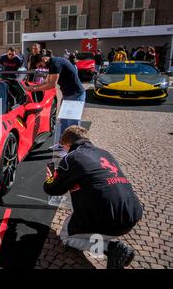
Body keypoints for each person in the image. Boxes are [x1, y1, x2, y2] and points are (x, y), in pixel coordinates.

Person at [44, 126, 143, 269]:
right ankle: (107, 240)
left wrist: (50, 178)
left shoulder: (71, 157)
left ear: (67, 144)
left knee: (66, 237)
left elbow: (52, 189)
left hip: (107, 217)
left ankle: (111, 247)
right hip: (132, 213)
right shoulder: (105, 153)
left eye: (63, 146)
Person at [26, 54, 85, 150]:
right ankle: (62, 144)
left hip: (76, 94)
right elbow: (46, 81)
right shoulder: (51, 64)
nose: (41, 68)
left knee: (73, 124)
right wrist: (32, 87)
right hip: (68, 95)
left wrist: (33, 89)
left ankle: (73, 149)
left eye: (40, 65)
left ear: (44, 59)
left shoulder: (55, 63)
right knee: (63, 121)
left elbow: (52, 84)